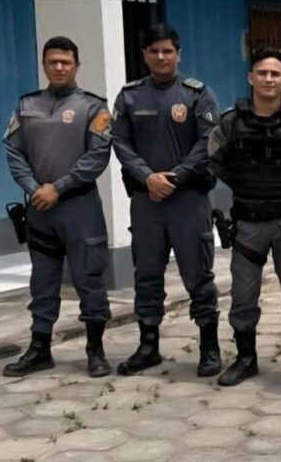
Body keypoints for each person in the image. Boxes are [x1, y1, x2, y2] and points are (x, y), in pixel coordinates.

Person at [207, 48, 281, 387]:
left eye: (275, 74)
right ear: (250, 77)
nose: (268, 79)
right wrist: (245, 185)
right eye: (262, 73)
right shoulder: (230, 122)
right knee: (243, 293)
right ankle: (246, 359)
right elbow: (215, 158)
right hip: (247, 220)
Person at [112, 24, 222, 377]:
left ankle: (209, 347)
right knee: (146, 276)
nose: (161, 57)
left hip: (188, 201)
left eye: (168, 51)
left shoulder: (197, 94)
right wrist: (148, 177)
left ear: (178, 54)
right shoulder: (129, 96)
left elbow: (209, 140)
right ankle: (148, 347)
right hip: (147, 202)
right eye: (154, 51)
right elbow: (121, 143)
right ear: (144, 55)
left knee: (198, 275)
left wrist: (176, 176)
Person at [1, 37, 113, 378]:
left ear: (77, 65)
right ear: (44, 65)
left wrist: (58, 188)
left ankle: (96, 350)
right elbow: (13, 151)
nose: (60, 67)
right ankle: (39, 349)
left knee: (89, 279)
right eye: (53, 62)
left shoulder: (94, 107)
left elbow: (97, 157)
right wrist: (34, 189)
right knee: (42, 282)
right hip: (40, 209)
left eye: (66, 62)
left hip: (79, 208)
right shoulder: (27, 105)